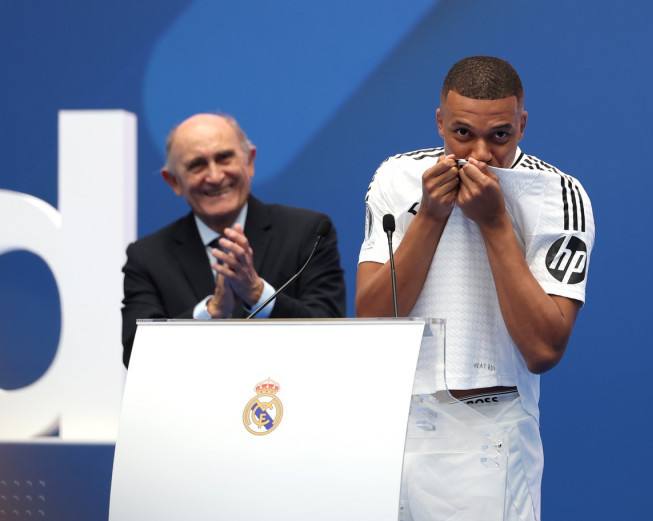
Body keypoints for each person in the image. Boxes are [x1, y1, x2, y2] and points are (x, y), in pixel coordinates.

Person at [356, 56, 595, 520]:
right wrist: (429, 216)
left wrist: (495, 222)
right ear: (440, 122)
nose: (480, 154)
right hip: (395, 428)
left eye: (499, 135)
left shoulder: (560, 194)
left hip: (493, 427)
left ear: (522, 125)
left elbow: (544, 349)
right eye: (463, 133)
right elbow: (372, 323)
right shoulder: (397, 176)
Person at [121, 113, 346, 367]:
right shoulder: (148, 256)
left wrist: (258, 294)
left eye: (224, 158)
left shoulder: (309, 233)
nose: (215, 176)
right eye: (197, 165)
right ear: (173, 181)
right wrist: (211, 311)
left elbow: (331, 335)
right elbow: (135, 353)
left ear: (249, 161)